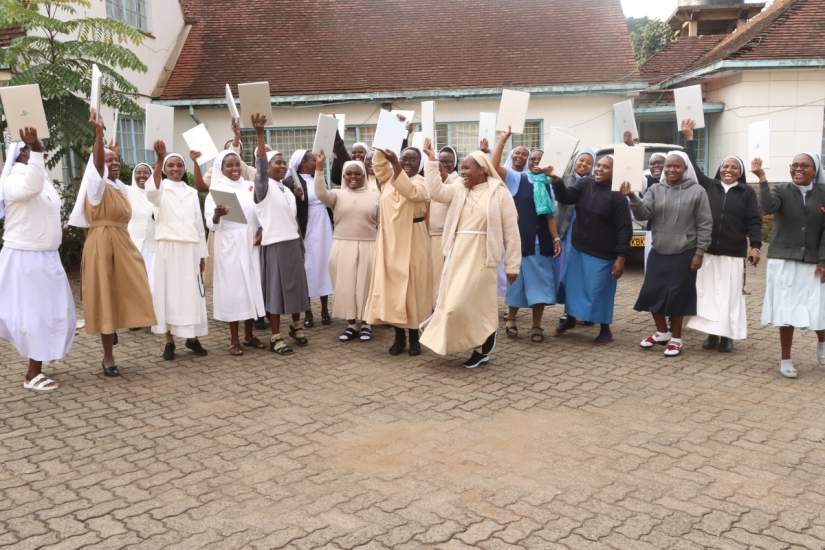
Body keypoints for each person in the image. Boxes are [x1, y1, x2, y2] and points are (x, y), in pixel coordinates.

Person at [69, 110, 155, 377]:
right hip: (101, 242)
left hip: (122, 240)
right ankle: (108, 356)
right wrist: (98, 135)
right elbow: (96, 165)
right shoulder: (95, 187)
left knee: (135, 283)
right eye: (108, 160)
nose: (113, 163)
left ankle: (118, 325)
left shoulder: (121, 188)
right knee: (105, 295)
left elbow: (149, 193)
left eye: (116, 159)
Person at [420, 140, 521, 368]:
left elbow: (511, 232)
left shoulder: (499, 194)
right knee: (454, 304)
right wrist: (431, 160)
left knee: (474, 303)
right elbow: (436, 192)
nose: (463, 172)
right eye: (462, 168)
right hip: (458, 252)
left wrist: (512, 265)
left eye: (467, 168)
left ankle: (484, 344)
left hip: (484, 255)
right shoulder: (459, 188)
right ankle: (472, 340)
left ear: (482, 169)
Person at [677, 120, 762, 353]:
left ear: (740, 173)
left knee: (729, 296)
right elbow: (692, 166)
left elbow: (754, 221)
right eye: (725, 166)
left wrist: (755, 246)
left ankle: (726, 336)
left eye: (734, 167)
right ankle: (711, 335)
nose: (728, 170)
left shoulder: (746, 193)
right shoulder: (709, 186)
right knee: (708, 295)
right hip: (708, 252)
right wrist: (689, 139)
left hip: (732, 252)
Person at [0, 130, 75, 390]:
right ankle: (32, 374)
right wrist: (37, 149)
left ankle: (41, 359)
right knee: (35, 317)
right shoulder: (12, 180)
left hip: (46, 256)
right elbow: (30, 187)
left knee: (56, 312)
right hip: (25, 257)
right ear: (19, 155)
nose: (32, 153)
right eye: (27, 149)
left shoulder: (41, 178)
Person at [621, 151, 713, 357]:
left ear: (685, 169)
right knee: (652, 292)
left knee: (677, 297)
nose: (671, 169)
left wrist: (699, 253)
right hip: (659, 249)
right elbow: (644, 214)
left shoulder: (697, 191)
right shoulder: (656, 189)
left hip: (685, 251)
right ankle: (662, 332)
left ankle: (677, 339)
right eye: (668, 166)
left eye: (676, 166)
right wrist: (632, 196)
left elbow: (705, 224)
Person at [757, 152, 825, 379]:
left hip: (814, 261)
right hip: (783, 260)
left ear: (814, 170)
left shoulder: (823, 193)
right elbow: (767, 207)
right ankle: (785, 358)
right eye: (794, 165)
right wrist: (763, 179)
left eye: (804, 166)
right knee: (786, 311)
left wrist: (824, 261)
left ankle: (822, 344)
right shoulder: (781, 190)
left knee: (818, 307)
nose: (798, 169)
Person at [552, 155, 632, 344]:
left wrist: (621, 258)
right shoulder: (584, 184)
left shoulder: (618, 196)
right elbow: (565, 197)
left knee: (599, 291)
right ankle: (570, 319)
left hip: (604, 253)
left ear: (614, 172)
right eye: (598, 166)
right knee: (573, 287)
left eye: (605, 167)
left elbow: (624, 229)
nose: (598, 169)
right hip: (579, 247)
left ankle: (605, 330)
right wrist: (556, 181)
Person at [491, 129, 561, 343]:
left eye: (539, 159)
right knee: (516, 283)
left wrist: (556, 238)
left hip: (542, 244)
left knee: (540, 285)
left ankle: (537, 325)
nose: (535, 162)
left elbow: (549, 216)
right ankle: (511, 319)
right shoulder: (517, 179)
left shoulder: (547, 185)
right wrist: (502, 140)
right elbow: (494, 167)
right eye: (532, 159)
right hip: (520, 242)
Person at [364, 146, 433, 356]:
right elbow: (377, 164)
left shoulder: (421, 182)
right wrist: (383, 142)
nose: (408, 163)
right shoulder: (386, 180)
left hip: (414, 238)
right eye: (404, 159)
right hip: (390, 241)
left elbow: (412, 193)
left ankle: (414, 337)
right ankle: (398, 336)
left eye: (413, 160)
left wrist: (396, 164)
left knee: (413, 289)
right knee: (393, 289)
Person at [252, 114, 310, 354]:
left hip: (293, 243)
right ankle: (275, 336)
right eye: (277, 162)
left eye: (284, 162)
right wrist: (260, 133)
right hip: (275, 245)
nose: (282, 165)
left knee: (296, 288)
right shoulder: (262, 187)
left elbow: (291, 218)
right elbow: (260, 167)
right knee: (276, 291)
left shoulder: (286, 189)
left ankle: (296, 326)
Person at [147, 141, 209, 361]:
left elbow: (199, 224)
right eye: (170, 165)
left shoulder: (192, 192)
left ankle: (192, 338)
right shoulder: (159, 189)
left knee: (191, 294)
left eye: (179, 166)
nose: (175, 169)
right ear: (164, 169)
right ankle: (169, 340)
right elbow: (152, 192)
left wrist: (202, 254)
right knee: (168, 294)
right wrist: (158, 158)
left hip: (190, 249)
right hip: (168, 248)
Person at [202, 150, 267, 356]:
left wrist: (262, 230)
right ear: (221, 168)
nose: (234, 169)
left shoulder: (249, 186)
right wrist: (216, 216)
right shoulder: (216, 190)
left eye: (237, 164)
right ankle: (233, 339)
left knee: (251, 288)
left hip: (251, 243)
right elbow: (210, 225)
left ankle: (249, 336)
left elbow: (261, 211)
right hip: (229, 245)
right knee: (234, 291)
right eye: (229, 165)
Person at [312, 151, 380, 342]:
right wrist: (319, 169)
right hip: (342, 245)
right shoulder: (337, 195)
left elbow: (382, 223)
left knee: (366, 286)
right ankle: (351, 324)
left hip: (369, 245)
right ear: (343, 176)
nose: (353, 177)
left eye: (357, 173)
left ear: (364, 176)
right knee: (346, 285)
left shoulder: (376, 196)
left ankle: (366, 323)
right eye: (348, 173)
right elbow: (320, 193)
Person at [286, 149, 332, 327]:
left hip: (324, 227)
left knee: (324, 265)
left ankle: (325, 309)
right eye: (313, 160)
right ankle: (308, 312)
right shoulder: (291, 181)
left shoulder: (318, 177)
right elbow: (290, 206)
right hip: (306, 228)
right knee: (307, 268)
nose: (316, 162)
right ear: (302, 163)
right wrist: (296, 198)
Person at [555, 149, 597, 333]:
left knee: (584, 275)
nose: (583, 165)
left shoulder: (595, 183)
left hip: (587, 234)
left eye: (588, 162)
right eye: (581, 160)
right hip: (566, 232)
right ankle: (569, 313)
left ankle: (585, 312)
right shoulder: (564, 178)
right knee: (567, 275)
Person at [428, 146, 460, 302]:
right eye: (442, 161)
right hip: (429, 236)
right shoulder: (430, 178)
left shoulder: (458, 181)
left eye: (449, 162)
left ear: (454, 164)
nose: (445, 165)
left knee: (444, 278)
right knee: (432, 278)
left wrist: (443, 174)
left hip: (446, 237)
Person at [127, 162, 157, 291]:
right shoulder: (127, 192)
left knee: (153, 284)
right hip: (133, 245)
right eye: (138, 172)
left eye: (146, 172)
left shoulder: (157, 194)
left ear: (151, 175)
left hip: (154, 246)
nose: (142, 175)